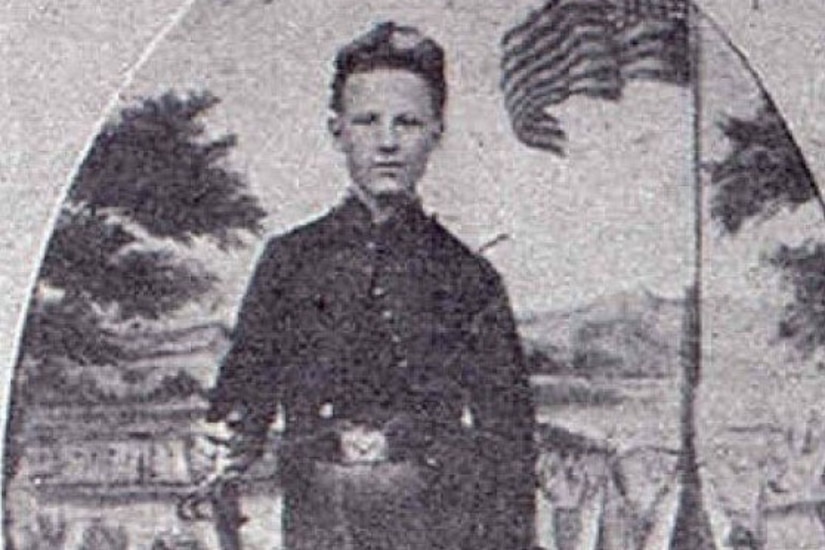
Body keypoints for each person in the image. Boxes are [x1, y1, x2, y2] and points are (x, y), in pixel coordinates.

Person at [205, 21, 536, 550]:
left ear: (437, 132)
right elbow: (243, 396)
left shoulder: (469, 277)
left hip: (437, 527)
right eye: (367, 121)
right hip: (317, 524)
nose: (387, 143)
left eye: (407, 123)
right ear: (337, 131)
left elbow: (511, 441)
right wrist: (226, 443)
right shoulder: (290, 261)